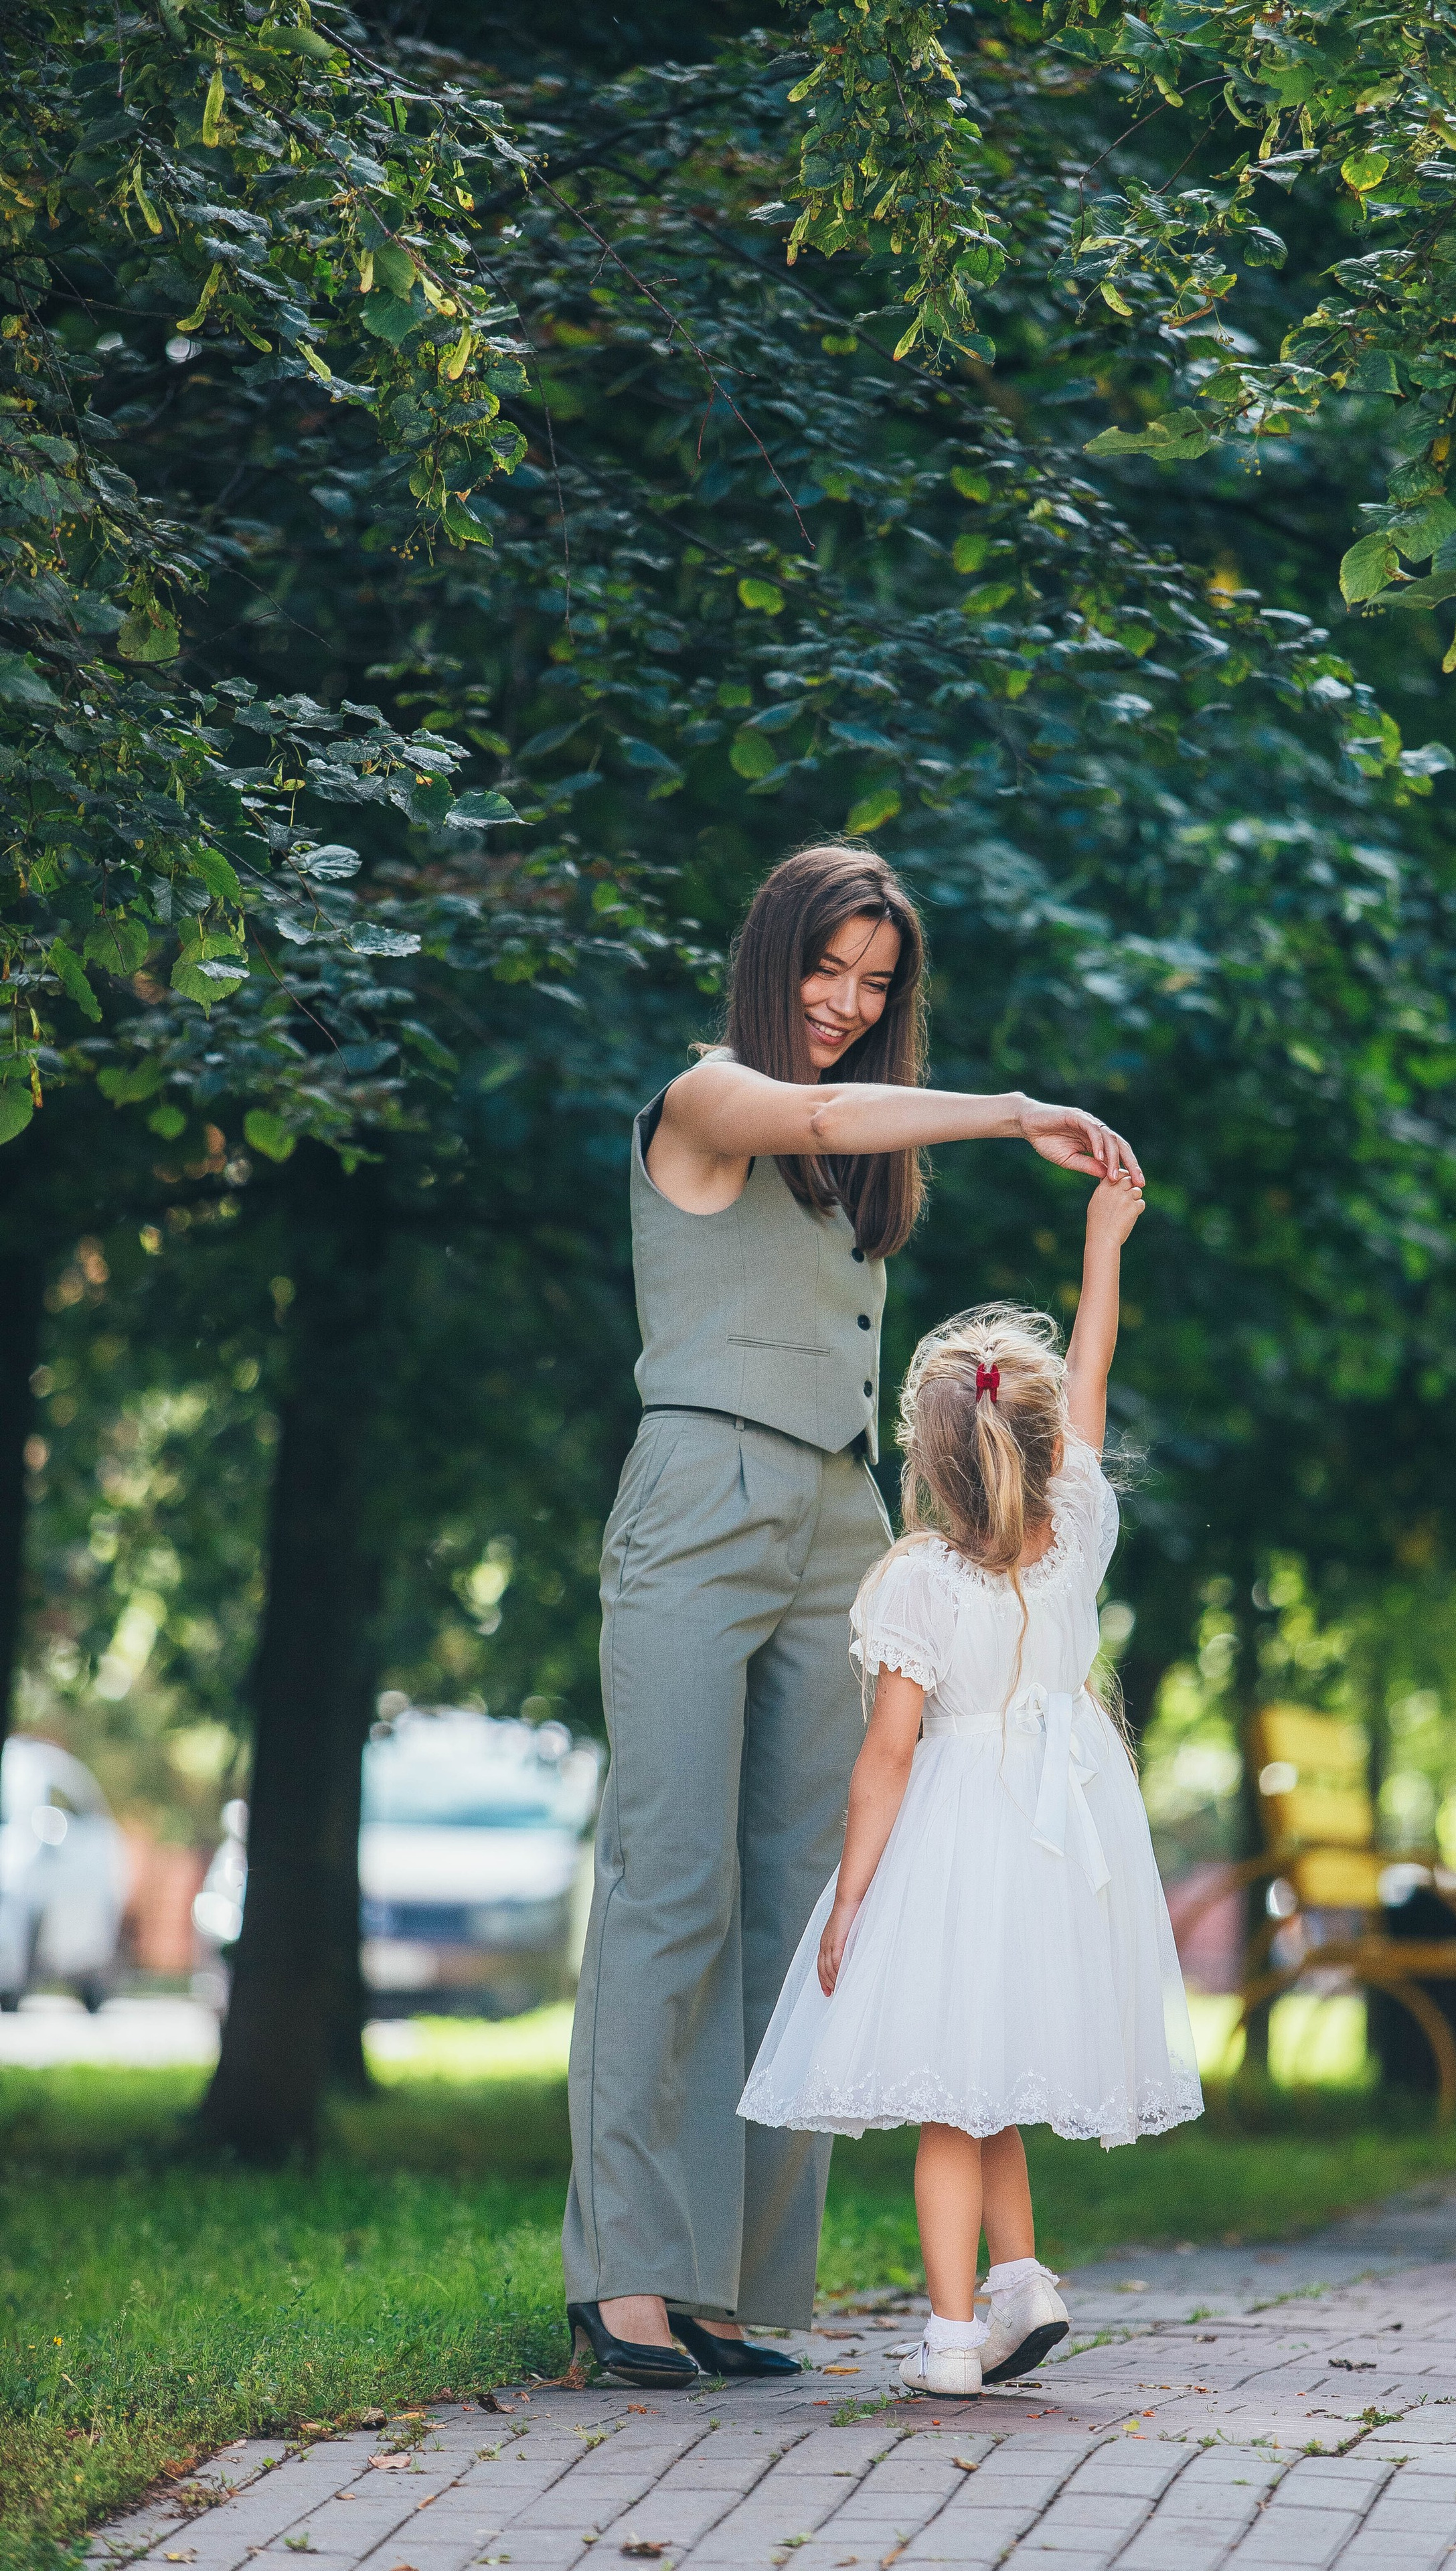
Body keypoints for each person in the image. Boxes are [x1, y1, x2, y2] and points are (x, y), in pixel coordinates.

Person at [564, 840, 1146, 2389]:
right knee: (668, 1879)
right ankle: (630, 2275)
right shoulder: (706, 1102)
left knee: (812, 1894)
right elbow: (807, 1105)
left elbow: (844, 1129)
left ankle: (740, 2288)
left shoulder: (853, 1170)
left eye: (873, 983)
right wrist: (1019, 1109)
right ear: (771, 959)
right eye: (823, 970)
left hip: (838, 1510)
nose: (842, 1003)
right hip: (696, 1488)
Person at [740, 1174, 1204, 2398]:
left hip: (960, 1836)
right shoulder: (1081, 1530)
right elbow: (1093, 1363)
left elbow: (886, 1758)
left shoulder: (917, 1583)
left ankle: (950, 2341)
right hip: (1065, 1835)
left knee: (949, 2091)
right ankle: (1023, 2282)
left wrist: (849, 1901)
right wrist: (1106, 1241)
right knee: (991, 2068)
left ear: (928, 1461)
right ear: (1047, 1441)